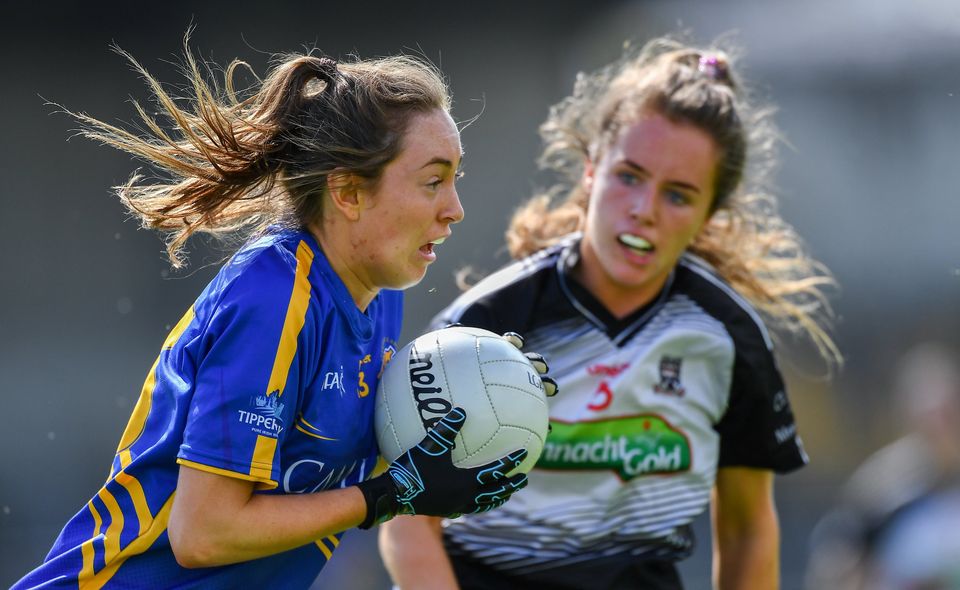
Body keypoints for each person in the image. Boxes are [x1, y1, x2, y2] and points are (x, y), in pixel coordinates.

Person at [14, 39, 541, 589]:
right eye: (433, 181)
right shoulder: (272, 298)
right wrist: (384, 497)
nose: (455, 208)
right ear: (347, 191)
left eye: (455, 180)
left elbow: (333, 468)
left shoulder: (379, 296)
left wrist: (492, 395)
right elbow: (203, 534)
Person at [380, 36, 841, 590]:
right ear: (591, 170)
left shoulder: (726, 336)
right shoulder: (485, 324)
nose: (643, 210)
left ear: (709, 213)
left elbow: (748, 529)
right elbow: (409, 517)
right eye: (629, 177)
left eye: (678, 195)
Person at [805, 342, 960, 590]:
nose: (938, 430)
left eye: (946, 415)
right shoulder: (885, 488)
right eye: (928, 419)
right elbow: (834, 566)